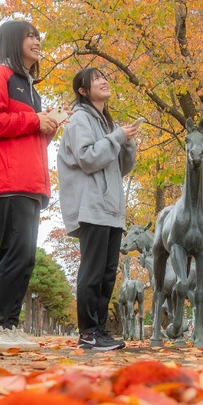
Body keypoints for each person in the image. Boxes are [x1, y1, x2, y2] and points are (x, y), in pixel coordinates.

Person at [0, 20, 60, 352]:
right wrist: (34, 120)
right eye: (30, 35)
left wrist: (48, 123)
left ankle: (9, 325)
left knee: (26, 257)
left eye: (38, 35)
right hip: (7, 179)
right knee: (15, 252)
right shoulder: (0, 76)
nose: (37, 40)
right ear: (13, 41)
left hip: (31, 182)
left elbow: (31, 134)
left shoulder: (30, 86)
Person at [57, 67, 140, 351]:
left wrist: (126, 142)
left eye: (104, 77)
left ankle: (100, 331)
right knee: (92, 272)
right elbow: (88, 158)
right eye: (95, 79)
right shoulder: (80, 119)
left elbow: (121, 168)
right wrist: (116, 138)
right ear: (82, 91)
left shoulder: (106, 124)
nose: (104, 81)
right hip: (91, 207)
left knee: (107, 273)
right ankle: (88, 333)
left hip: (111, 210)